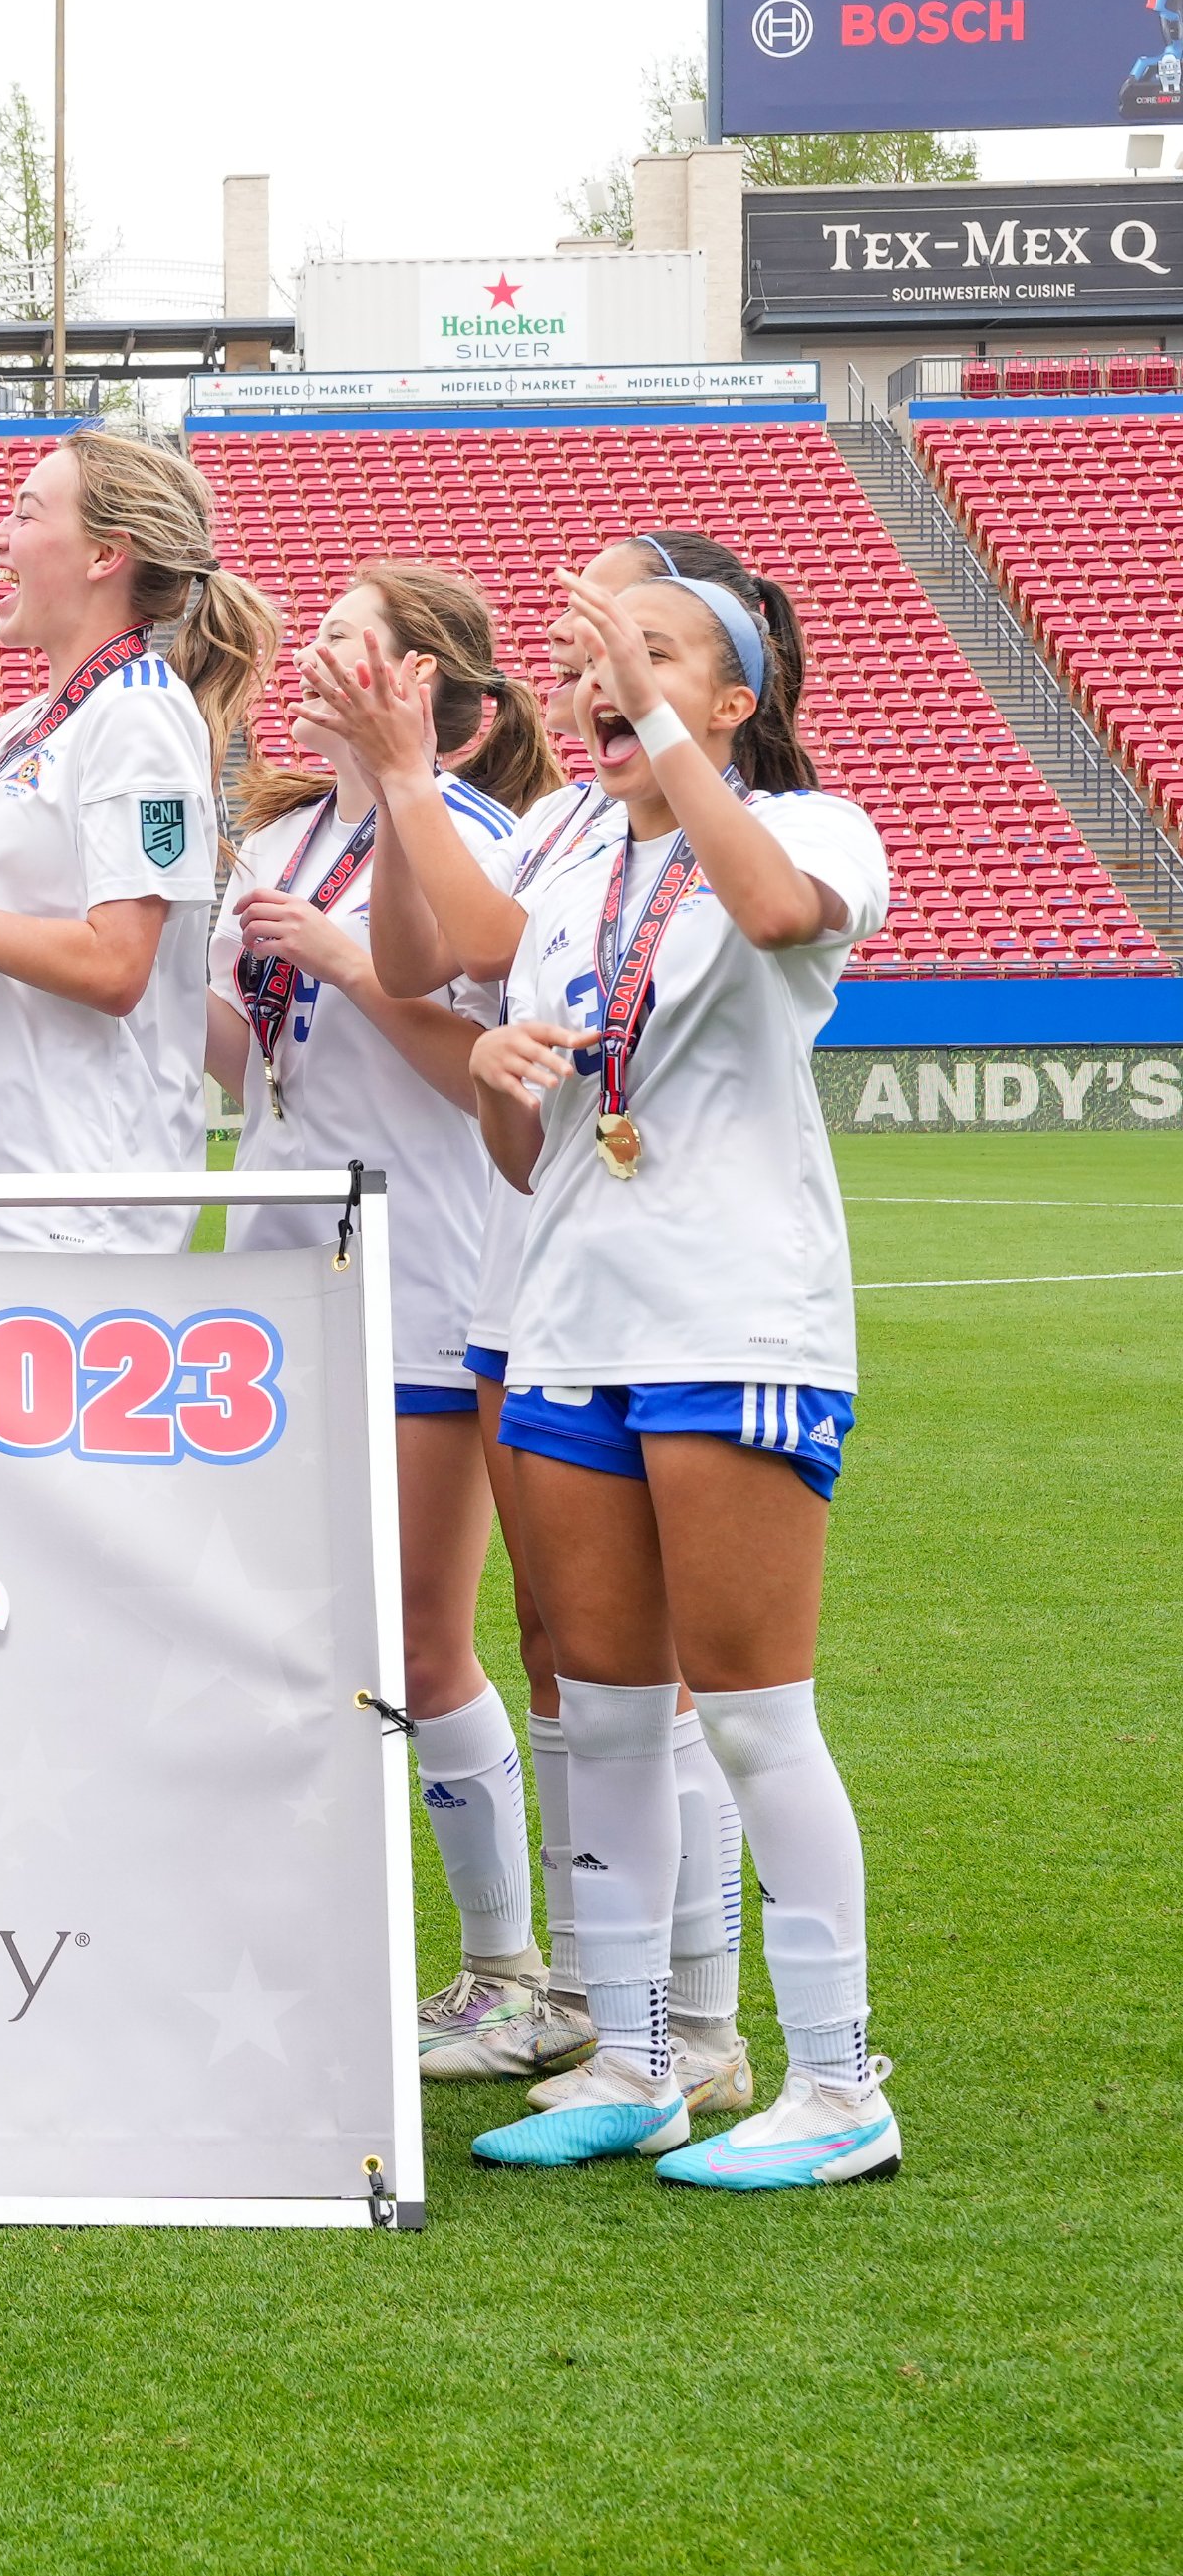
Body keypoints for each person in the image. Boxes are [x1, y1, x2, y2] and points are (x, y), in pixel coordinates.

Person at [460, 545, 899, 2189]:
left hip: (734, 1320)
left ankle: (840, 2082)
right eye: (596, 658)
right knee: (616, 1710)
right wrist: (503, 1070)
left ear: (736, 699)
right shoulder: (571, 875)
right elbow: (529, 1150)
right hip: (578, 1320)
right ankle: (638, 2057)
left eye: (654, 655)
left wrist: (666, 731)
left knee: (757, 1714)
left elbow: (777, 916)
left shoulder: (803, 830)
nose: (606, 677)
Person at [341, 536, 753, 2110]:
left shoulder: (698, 824)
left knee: (673, 1675)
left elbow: (487, 952)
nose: (584, 650)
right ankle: (596, 1995)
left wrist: (407, 788)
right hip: (538, 1257)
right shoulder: (577, 816)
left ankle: (699, 2021)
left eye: (619, 623)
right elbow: (428, 951)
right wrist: (397, 791)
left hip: (638, 1278)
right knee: (570, 1650)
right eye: (576, 629)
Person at [204, 564, 564, 2069]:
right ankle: (301, 1944)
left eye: (357, 639)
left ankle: (509, 1969)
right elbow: (238, 1067)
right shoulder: (279, 834)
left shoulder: (473, 844)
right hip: (279, 1261)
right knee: (287, 1628)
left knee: (421, 1640)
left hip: (421, 1271)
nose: (323, 657)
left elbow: (491, 1077)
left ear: (427, 685)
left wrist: (350, 961)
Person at [0, 429, 280, 1252]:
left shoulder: (139, 712)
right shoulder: (20, 729)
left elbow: (114, 968)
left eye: (25, 514)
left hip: (81, 1202)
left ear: (106, 552)